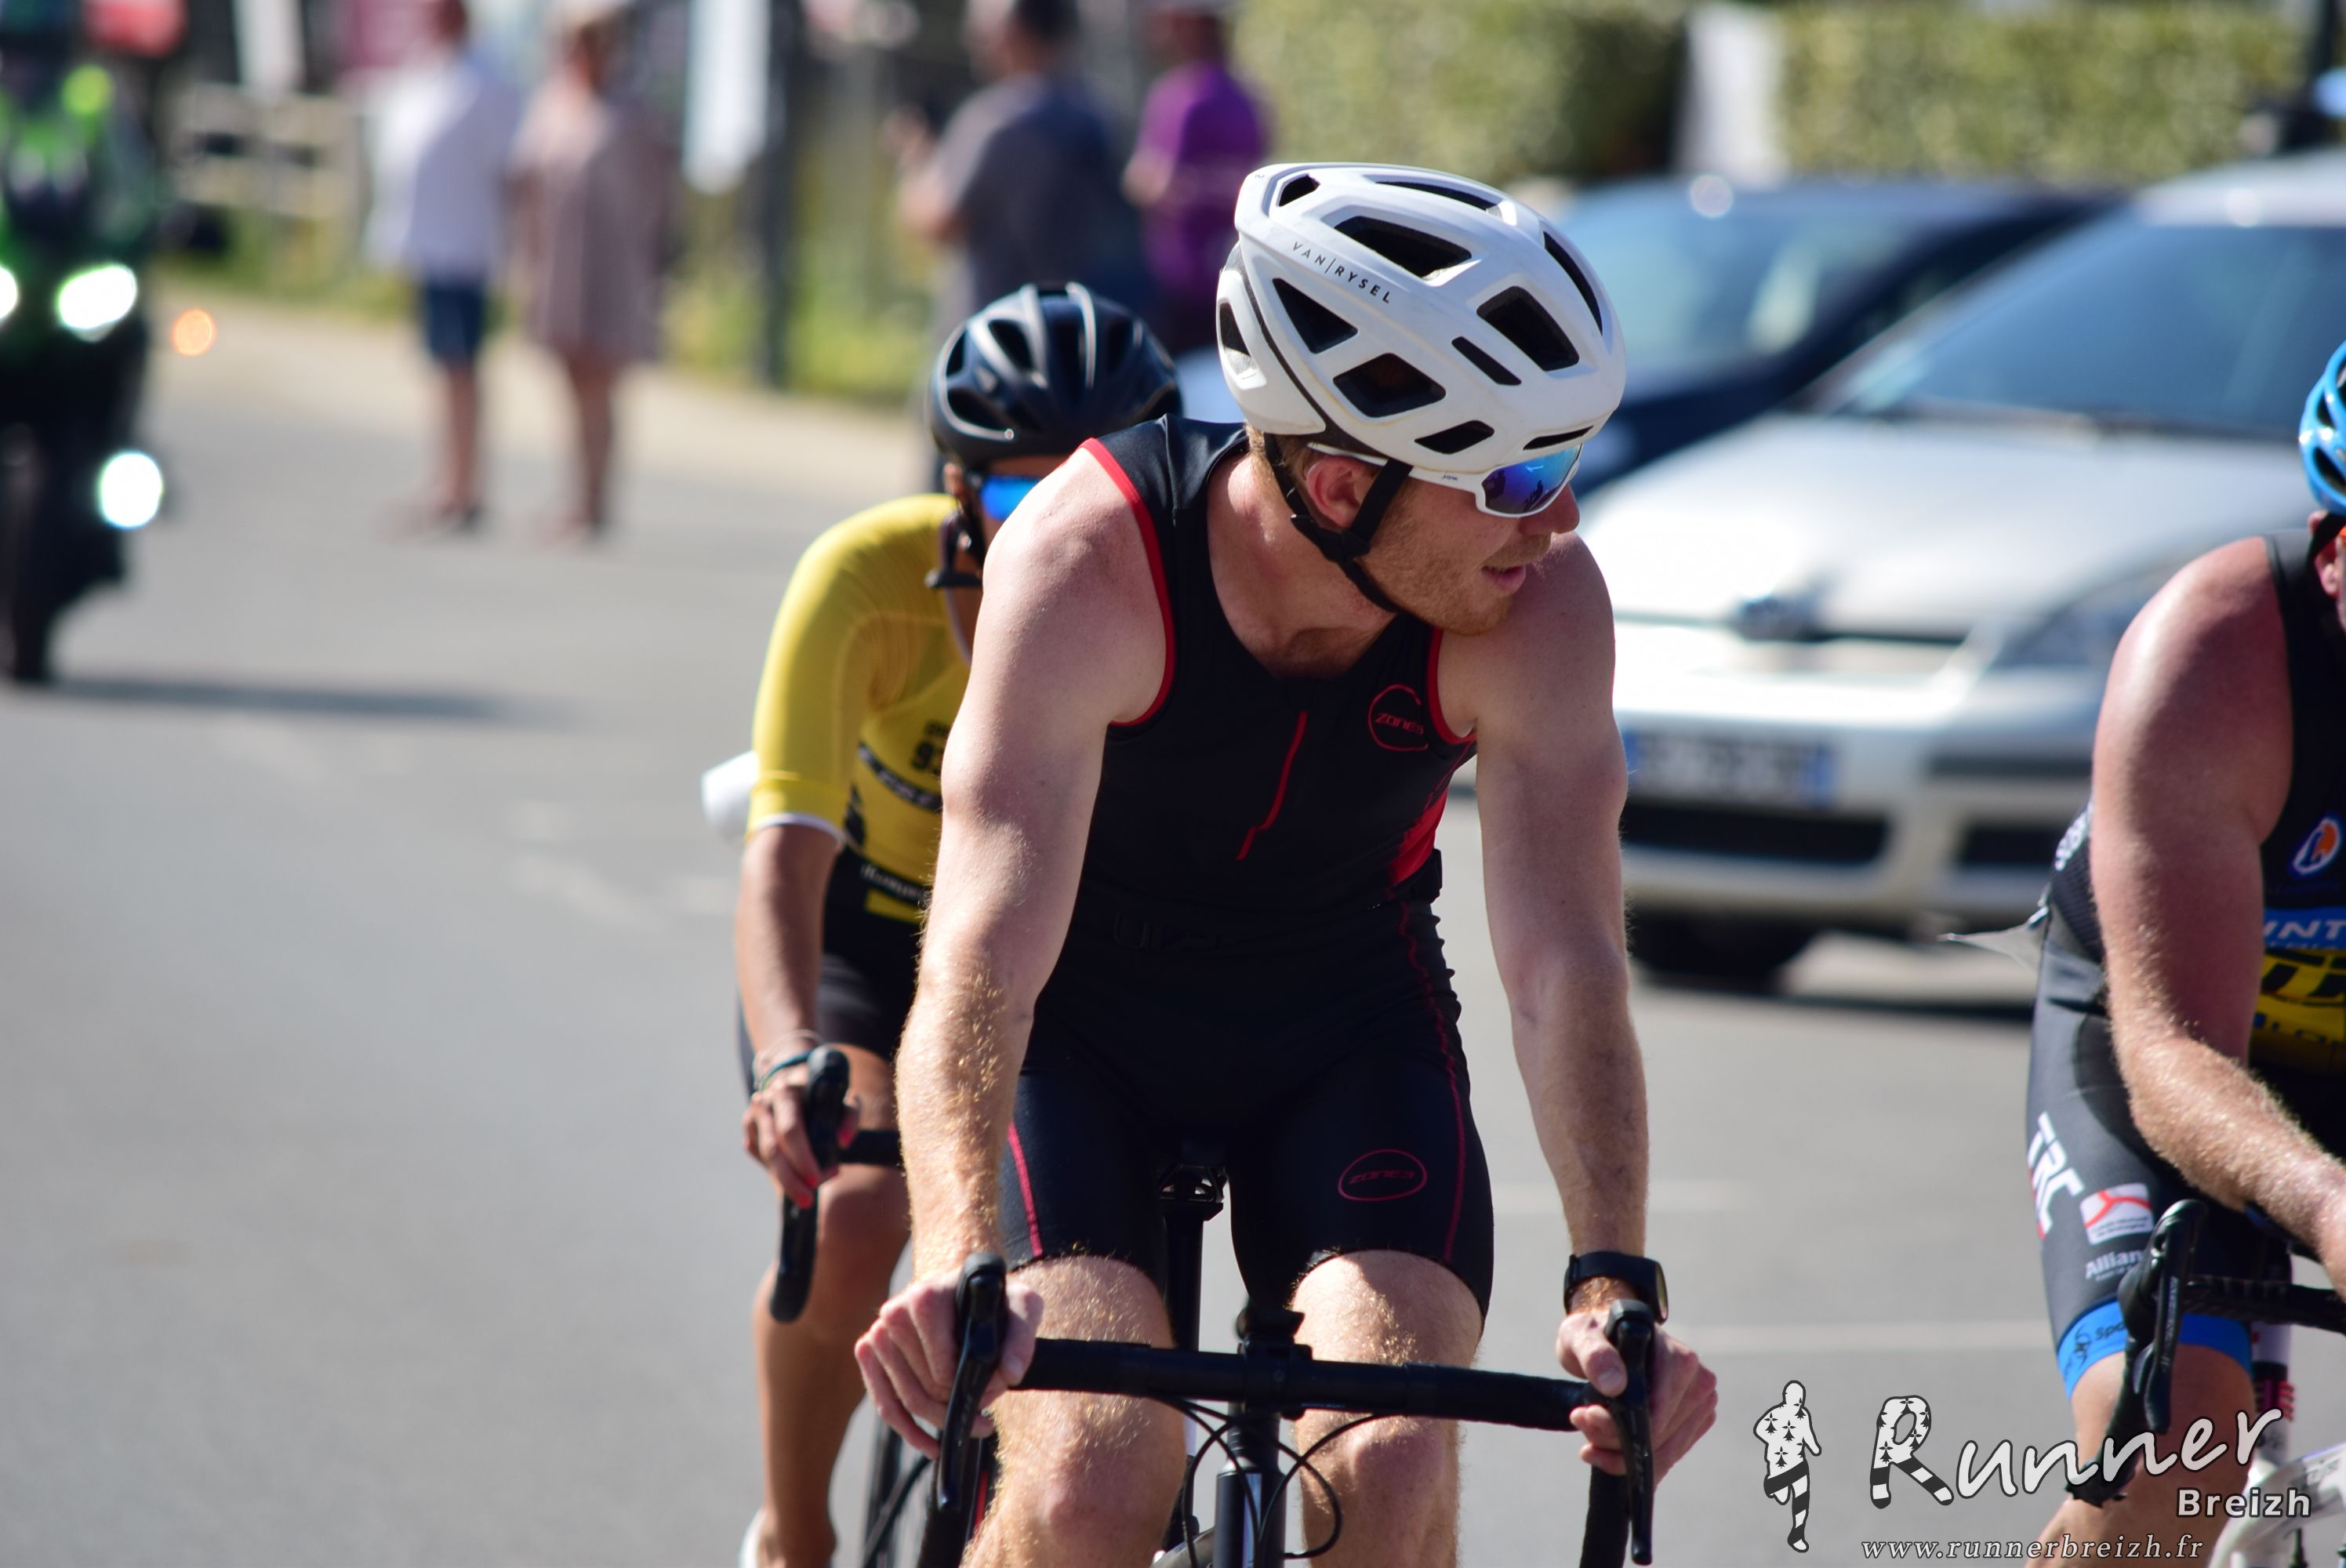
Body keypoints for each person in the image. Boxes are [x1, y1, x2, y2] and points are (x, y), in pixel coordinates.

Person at [855, 163, 1716, 1566]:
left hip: (1343, 1026)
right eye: (1516, 478)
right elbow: (981, 950)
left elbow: (1566, 959)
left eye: (1568, 465)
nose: (1557, 522)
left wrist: (1610, 1277)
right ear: (1340, 485)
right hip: (1081, 1035)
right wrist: (958, 1255)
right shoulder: (1086, 563)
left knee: (1389, 1464)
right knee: (1089, 1482)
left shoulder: (1541, 608)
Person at [733, 285, 1178, 1568]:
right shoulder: (863, 581)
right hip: (873, 941)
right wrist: (786, 1057)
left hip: (1061, 952)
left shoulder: (1172, 606)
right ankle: (796, 1533)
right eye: (1014, 493)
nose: (1050, 529)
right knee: (858, 1212)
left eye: (1089, 492)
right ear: (951, 488)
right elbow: (783, 854)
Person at [2024, 339, 2346, 1555]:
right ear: (2332, 547)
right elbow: (2172, 1056)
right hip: (2173, 1051)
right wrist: (2328, 1204)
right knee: (2172, 1453)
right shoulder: (2213, 658)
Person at [507, 0, 673, 543]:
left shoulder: (631, 115)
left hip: (610, 271)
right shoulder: (552, 104)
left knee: (601, 386)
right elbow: (527, 185)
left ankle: (595, 501)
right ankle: (574, 493)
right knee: (570, 384)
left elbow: (657, 201)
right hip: (560, 267)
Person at [892, 0, 1143, 342]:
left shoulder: (996, 119)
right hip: (1086, 332)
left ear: (1014, 30)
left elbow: (942, 220)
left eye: (982, 27)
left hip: (997, 337)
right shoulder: (1103, 116)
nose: (971, 38)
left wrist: (916, 160)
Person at [367, 0, 521, 532]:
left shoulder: (485, 80)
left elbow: (506, 165)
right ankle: (446, 479)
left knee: (462, 369)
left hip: (465, 247)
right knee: (442, 369)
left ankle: (464, 485)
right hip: (432, 244)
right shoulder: (429, 71)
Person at [1123, 0, 1266, 360]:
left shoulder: (1182, 98)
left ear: (1190, 23)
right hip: (1238, 279)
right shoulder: (1247, 98)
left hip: (1186, 285)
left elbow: (1152, 183)